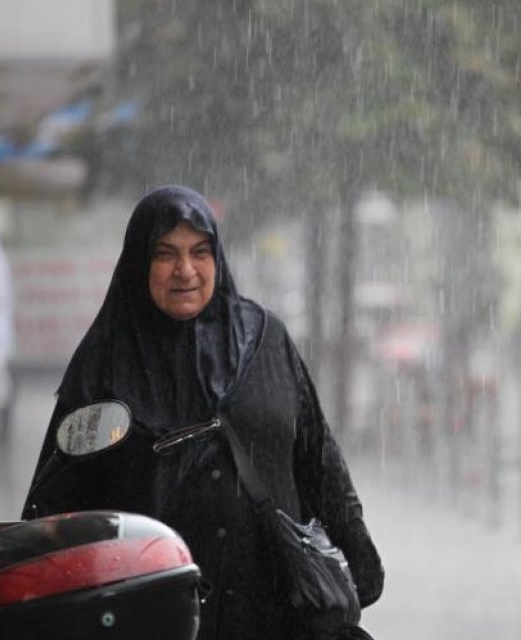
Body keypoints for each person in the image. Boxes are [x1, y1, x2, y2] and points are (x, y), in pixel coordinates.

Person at [23, 185, 383, 640]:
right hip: (149, 617)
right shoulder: (103, 368)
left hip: (274, 614)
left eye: (200, 252)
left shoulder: (265, 341)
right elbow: (52, 511)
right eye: (165, 254)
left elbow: (318, 460)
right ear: (139, 263)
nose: (185, 270)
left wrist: (359, 563)